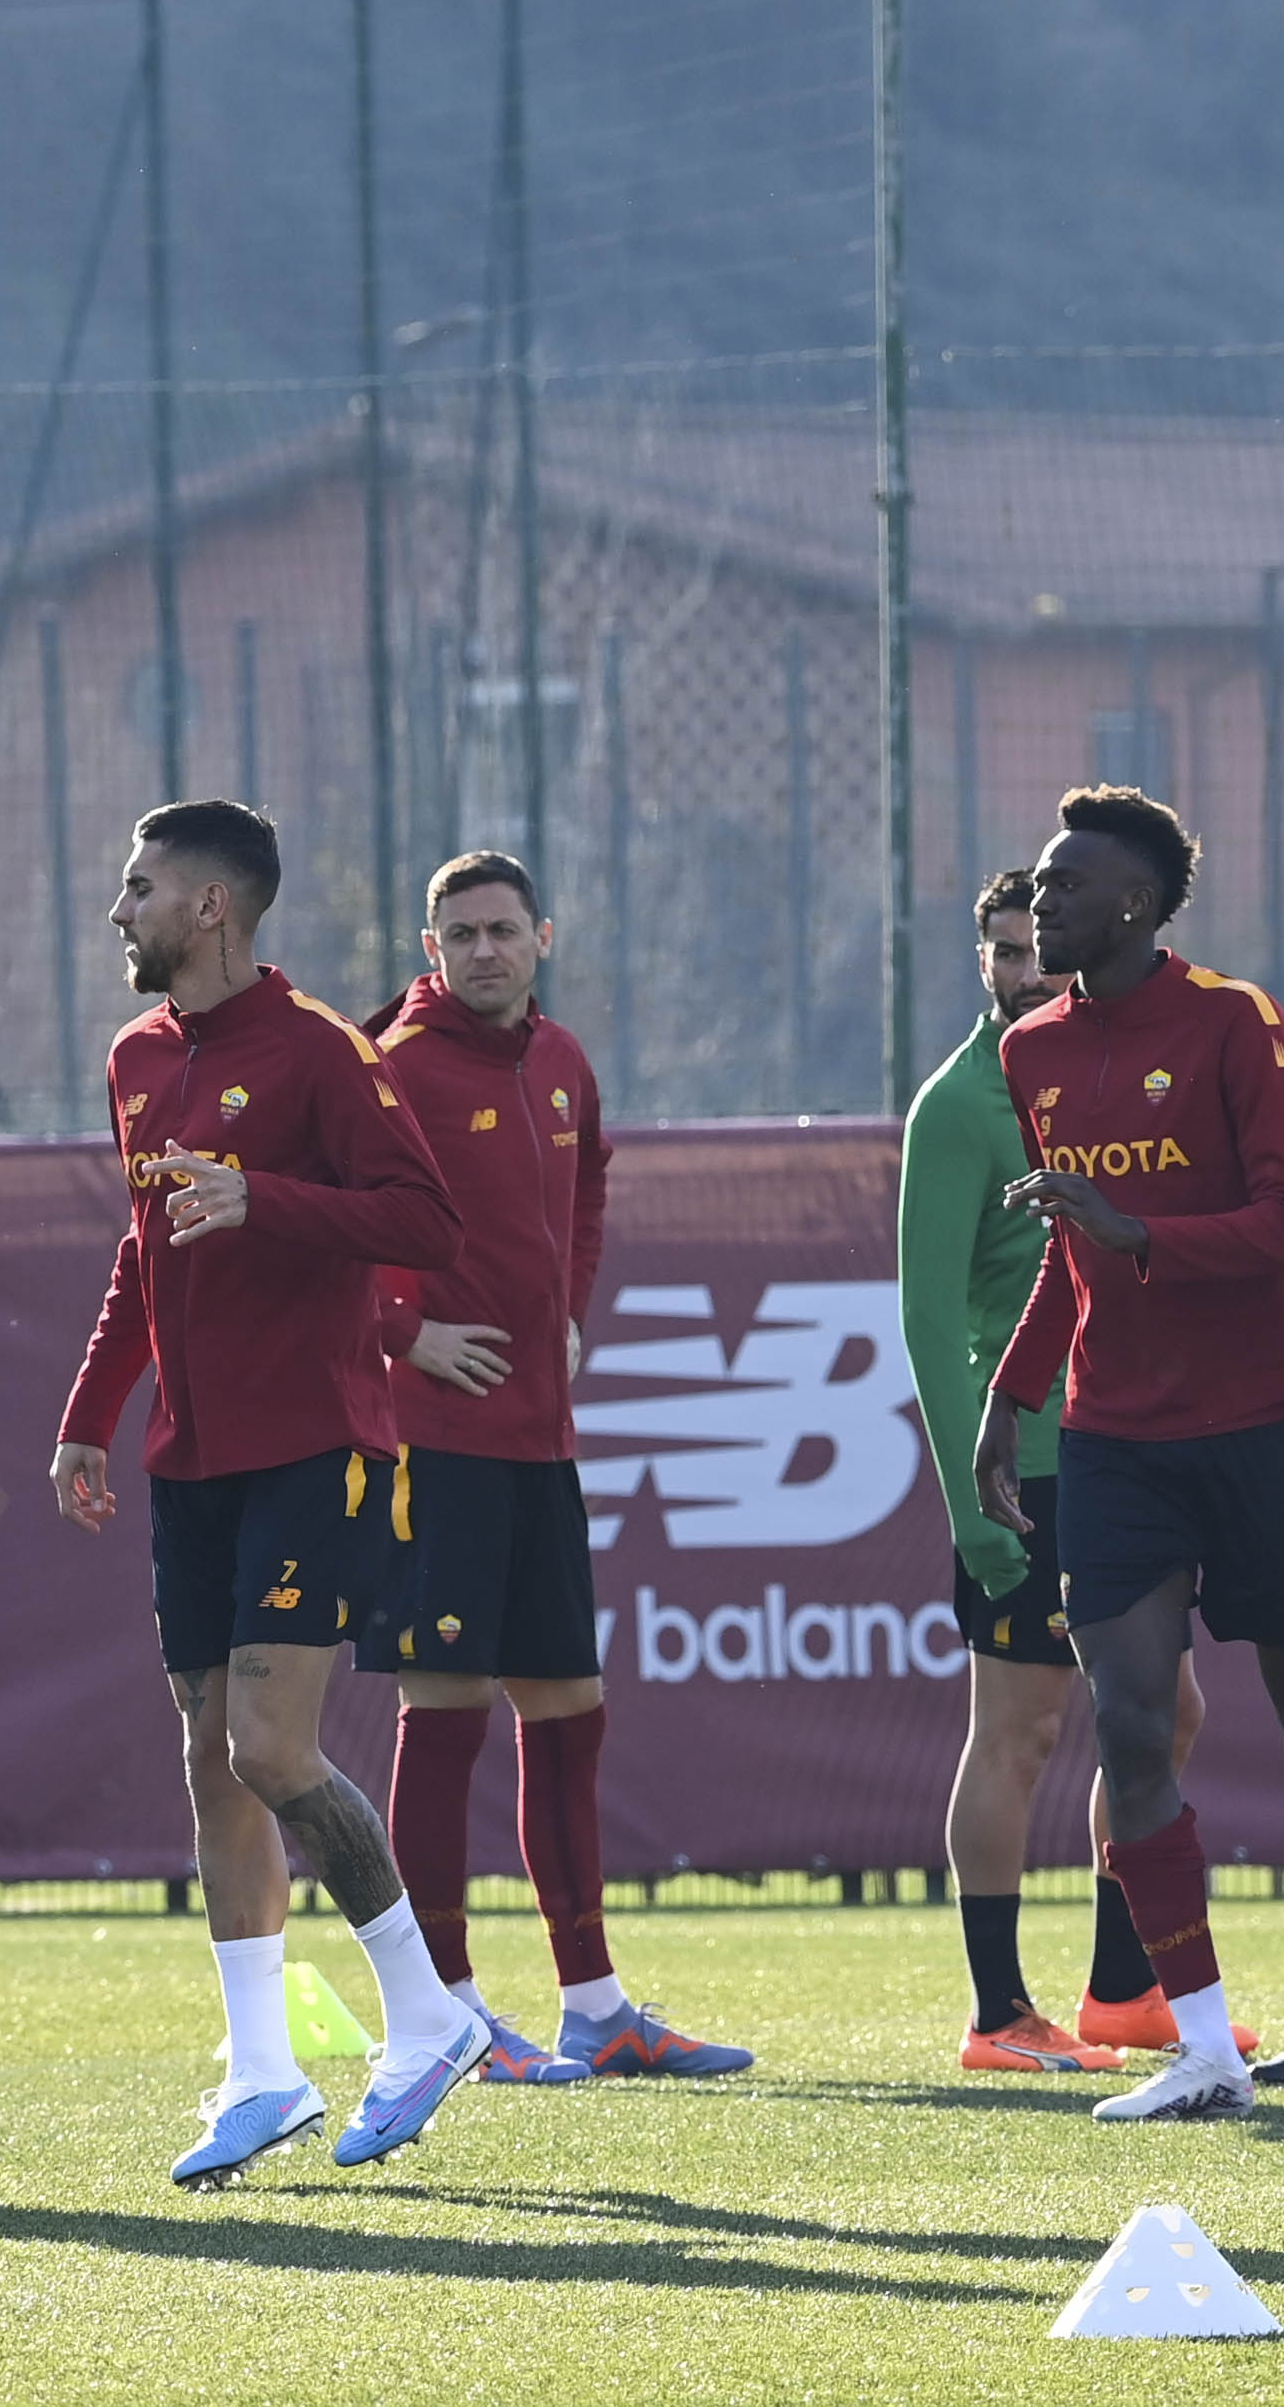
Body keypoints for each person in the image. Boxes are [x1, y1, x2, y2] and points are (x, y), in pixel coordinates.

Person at [49, 800, 488, 2183]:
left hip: (317, 1441)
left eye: (140, 887)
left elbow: (426, 1223)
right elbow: (141, 1247)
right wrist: (86, 1419)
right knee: (208, 1757)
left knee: (272, 1749)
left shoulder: (317, 1052)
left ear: (212, 907)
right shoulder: (134, 1054)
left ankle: (426, 2015)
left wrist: (265, 1199)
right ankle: (259, 2071)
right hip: (195, 1454)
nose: (119, 910)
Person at [972, 784, 1284, 2122]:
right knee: (1130, 1723)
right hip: (1116, 1440)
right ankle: (1208, 2046)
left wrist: (1137, 1227)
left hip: (1261, 1425)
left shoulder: (1234, 1019)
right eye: (1039, 884)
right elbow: (1071, 1249)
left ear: (1141, 903)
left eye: (1067, 884)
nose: (1042, 903)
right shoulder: (1030, 1048)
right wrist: (1011, 1400)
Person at [360, 851, 747, 2085]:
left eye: (503, 930)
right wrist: (406, 1329)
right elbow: (327, 1216)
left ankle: (597, 2004)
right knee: (445, 1712)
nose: (482, 950)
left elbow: (587, 1196)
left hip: (540, 1440)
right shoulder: (393, 1064)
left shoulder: (564, 1062)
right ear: (430, 947)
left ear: (543, 938)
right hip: (434, 1446)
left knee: (569, 1714)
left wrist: (570, 1308)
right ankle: (452, 2015)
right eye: (459, 932)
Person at [901, 864, 1224, 2077]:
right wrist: (969, 1506)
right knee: (1020, 1732)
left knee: (1167, 1713)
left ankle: (1124, 1990)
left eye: (1036, 946)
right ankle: (997, 2012)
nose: (1022, 967)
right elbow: (930, 1323)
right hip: (1022, 1467)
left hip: (1120, 1451)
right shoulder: (959, 1105)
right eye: (1000, 949)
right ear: (977, 957)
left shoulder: (1102, 1071)